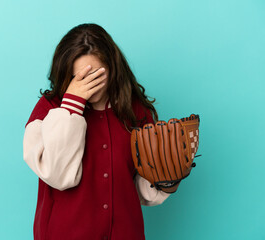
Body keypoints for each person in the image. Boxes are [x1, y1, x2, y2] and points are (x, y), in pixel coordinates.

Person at [23, 23, 170, 240]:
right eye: (80, 78)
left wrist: (168, 180)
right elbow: (58, 175)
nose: (90, 86)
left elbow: (143, 192)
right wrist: (72, 104)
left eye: (98, 76)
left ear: (113, 69)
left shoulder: (135, 110)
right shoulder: (48, 109)